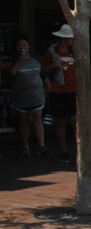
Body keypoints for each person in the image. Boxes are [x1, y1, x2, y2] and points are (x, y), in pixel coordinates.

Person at [41, 24, 78, 163]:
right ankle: (63, 151)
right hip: (59, 90)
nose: (73, 41)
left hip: (73, 89)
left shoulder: (75, 51)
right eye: (70, 38)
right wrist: (53, 66)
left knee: (75, 121)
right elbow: (43, 69)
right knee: (61, 121)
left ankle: (78, 151)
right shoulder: (52, 52)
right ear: (64, 39)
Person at [5, 36, 47, 156]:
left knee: (38, 118)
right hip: (21, 97)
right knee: (24, 120)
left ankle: (42, 145)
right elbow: (12, 73)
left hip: (36, 95)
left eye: (25, 45)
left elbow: (43, 72)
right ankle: (25, 146)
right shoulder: (14, 60)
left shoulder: (36, 58)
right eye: (20, 45)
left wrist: (48, 83)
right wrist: (20, 60)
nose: (22, 47)